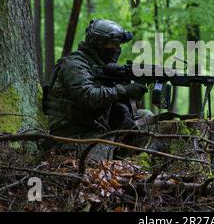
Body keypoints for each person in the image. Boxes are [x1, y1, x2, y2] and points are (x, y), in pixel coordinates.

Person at [42, 19, 154, 160]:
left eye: (119, 45)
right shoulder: (75, 65)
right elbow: (89, 97)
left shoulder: (102, 65)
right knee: (101, 158)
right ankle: (124, 163)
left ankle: (135, 162)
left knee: (147, 117)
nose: (117, 49)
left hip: (97, 127)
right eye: (113, 44)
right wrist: (125, 90)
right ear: (98, 43)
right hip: (72, 135)